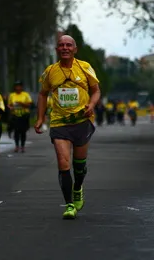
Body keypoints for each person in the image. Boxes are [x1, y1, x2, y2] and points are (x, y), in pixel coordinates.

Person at [34, 35, 101, 219]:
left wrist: (91, 105)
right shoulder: (50, 71)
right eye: (61, 45)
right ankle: (69, 204)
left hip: (81, 121)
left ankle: (78, 187)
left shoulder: (85, 67)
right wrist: (40, 118)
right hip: (59, 123)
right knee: (63, 164)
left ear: (75, 49)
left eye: (68, 45)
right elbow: (42, 94)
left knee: (79, 166)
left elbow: (95, 91)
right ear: (57, 50)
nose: (65, 48)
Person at [7, 81, 32, 153]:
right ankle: (17, 146)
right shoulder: (12, 95)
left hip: (24, 115)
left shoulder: (25, 95)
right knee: (16, 131)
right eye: (16, 86)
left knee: (23, 132)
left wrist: (21, 103)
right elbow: (9, 104)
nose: (18, 87)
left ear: (21, 87)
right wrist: (10, 107)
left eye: (19, 86)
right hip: (15, 115)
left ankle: (23, 146)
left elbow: (29, 104)